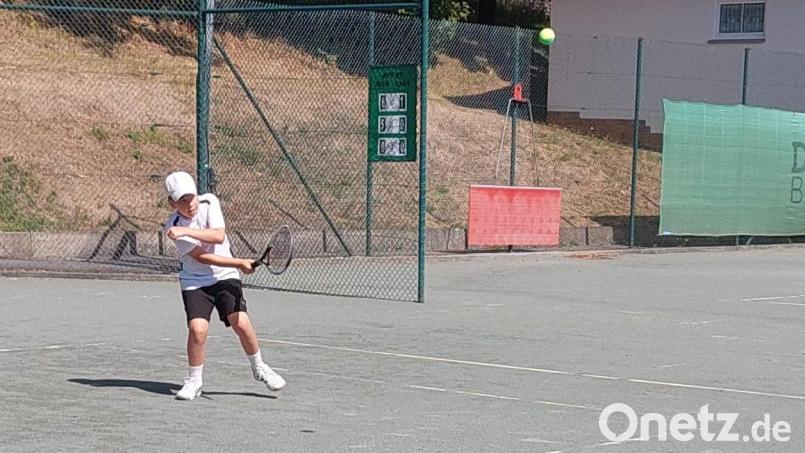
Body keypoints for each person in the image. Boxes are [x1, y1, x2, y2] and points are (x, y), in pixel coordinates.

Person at [163, 171, 285, 400]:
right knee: (197, 329)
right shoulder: (172, 225)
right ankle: (194, 381)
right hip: (195, 280)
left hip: (225, 274)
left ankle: (259, 367)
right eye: (183, 200)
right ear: (172, 203)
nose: (190, 204)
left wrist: (186, 230)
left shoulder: (209, 202)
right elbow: (202, 257)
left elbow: (218, 236)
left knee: (240, 321)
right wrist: (239, 262)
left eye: (191, 197)